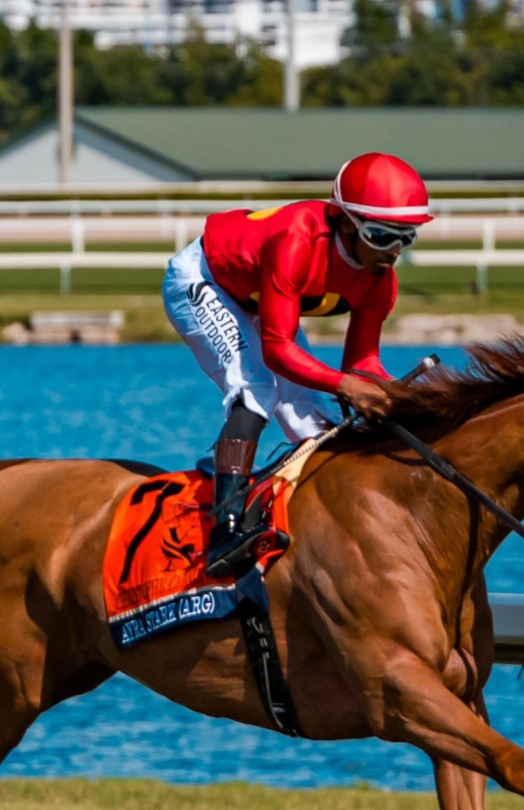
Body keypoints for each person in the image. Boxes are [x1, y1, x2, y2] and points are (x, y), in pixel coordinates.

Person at [162, 151, 431, 577]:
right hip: (204, 279)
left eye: (406, 237)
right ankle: (226, 527)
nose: (393, 251)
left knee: (313, 420)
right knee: (256, 388)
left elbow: (361, 364)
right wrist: (347, 386)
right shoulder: (297, 242)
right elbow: (277, 350)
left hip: (257, 294)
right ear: (347, 223)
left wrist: (397, 394)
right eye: (382, 236)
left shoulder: (381, 280)